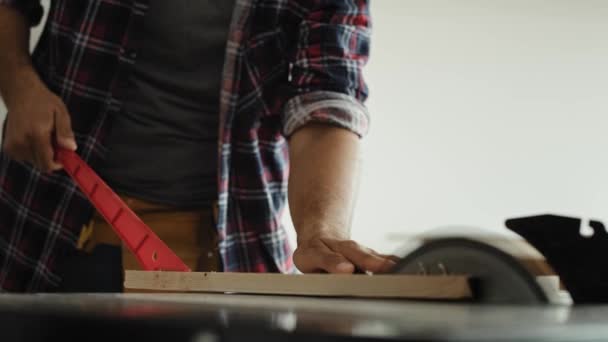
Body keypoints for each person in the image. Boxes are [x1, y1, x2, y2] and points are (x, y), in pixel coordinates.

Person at [0, 0, 395, 292]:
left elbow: (327, 96)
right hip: (49, 220)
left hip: (233, 245)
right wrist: (19, 85)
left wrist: (321, 233)